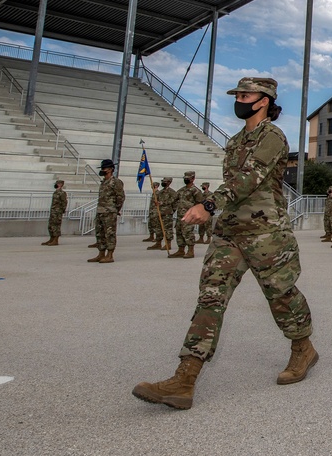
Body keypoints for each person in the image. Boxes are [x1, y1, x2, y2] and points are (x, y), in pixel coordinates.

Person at [132, 77, 317, 410]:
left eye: (245, 95)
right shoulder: (235, 141)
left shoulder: (272, 137)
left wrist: (208, 204)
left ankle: (303, 348)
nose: (240, 100)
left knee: (282, 296)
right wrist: (217, 209)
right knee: (210, 298)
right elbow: (234, 181)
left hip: (266, 235)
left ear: (263, 101)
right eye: (238, 95)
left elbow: (248, 179)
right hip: (230, 231)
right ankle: (184, 380)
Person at [88, 159, 125, 263]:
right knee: (100, 233)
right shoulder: (104, 182)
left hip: (109, 212)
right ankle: (101, 254)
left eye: (104, 168)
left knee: (110, 234)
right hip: (100, 211)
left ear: (110, 169)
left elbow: (120, 197)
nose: (103, 170)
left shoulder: (116, 182)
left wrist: (115, 209)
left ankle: (110, 255)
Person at [169, 170, 203, 259]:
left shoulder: (196, 191)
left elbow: (200, 204)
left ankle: (191, 251)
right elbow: (173, 199)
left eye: (188, 178)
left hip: (189, 216)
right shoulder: (181, 190)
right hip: (180, 216)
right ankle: (181, 250)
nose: (186, 180)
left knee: (188, 233)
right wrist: (161, 203)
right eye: (185, 178)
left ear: (193, 179)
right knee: (179, 232)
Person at [147, 177, 176, 251]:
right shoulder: (160, 192)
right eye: (163, 181)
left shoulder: (172, 192)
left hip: (167, 213)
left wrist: (170, 210)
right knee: (158, 228)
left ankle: (168, 244)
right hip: (159, 213)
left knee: (167, 229)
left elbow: (174, 202)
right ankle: (158, 243)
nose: (163, 182)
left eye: (165, 181)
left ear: (169, 182)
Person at [41, 179, 67, 245]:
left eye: (57, 183)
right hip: (53, 211)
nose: (56, 184)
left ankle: (56, 240)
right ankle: (51, 238)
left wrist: (62, 210)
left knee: (56, 225)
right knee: (51, 225)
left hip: (58, 212)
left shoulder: (62, 193)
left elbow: (64, 202)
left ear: (60, 185)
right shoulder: (55, 192)